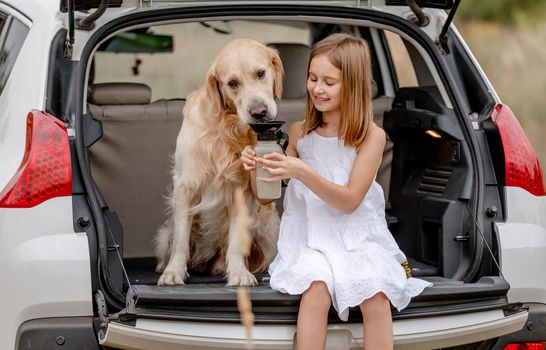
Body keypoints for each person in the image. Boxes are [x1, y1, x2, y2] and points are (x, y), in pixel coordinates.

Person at [240, 33, 432, 350]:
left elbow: (349, 201)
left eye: (329, 82)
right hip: (310, 236)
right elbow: (265, 197)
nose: (317, 88)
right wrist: (256, 169)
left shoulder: (371, 137)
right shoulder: (297, 133)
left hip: (359, 236)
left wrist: (302, 170)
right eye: (313, 78)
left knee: (376, 295)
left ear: (353, 86)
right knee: (316, 290)